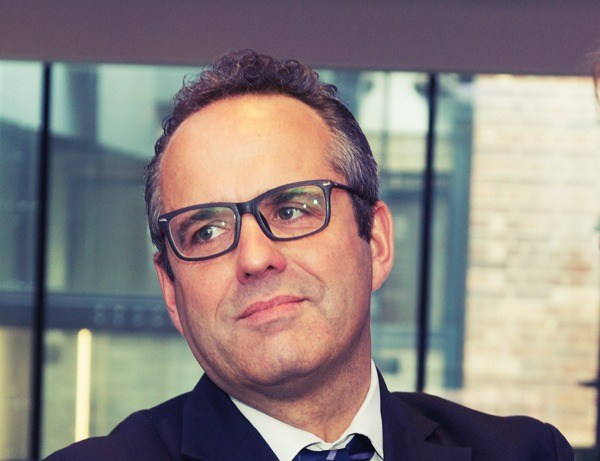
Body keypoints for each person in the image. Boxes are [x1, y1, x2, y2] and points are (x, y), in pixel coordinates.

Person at [46, 50, 573, 460]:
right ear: (170, 290)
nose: (255, 257)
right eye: (206, 231)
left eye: (292, 210)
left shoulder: (527, 454)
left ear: (376, 241)